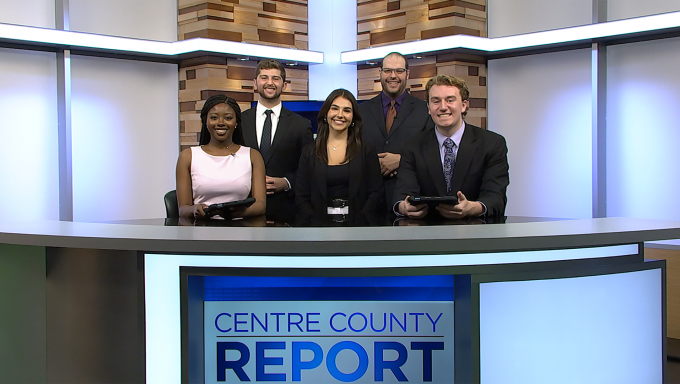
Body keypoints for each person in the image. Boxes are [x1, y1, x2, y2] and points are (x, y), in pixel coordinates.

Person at [395, 75, 509, 219]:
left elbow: (496, 198)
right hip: (427, 233)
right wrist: (404, 207)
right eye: (436, 101)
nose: (443, 107)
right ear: (428, 107)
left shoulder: (492, 143)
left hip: (476, 232)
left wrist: (472, 208)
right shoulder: (412, 146)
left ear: (463, 105)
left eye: (450, 100)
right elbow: (402, 194)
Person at [240, 59, 314, 222]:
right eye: (264, 77)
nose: (270, 83)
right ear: (255, 83)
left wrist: (287, 182)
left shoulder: (301, 125)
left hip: (286, 212)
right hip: (244, 210)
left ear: (284, 85)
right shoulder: (239, 122)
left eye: (275, 78)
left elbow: (309, 168)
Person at [296, 88, 385, 222]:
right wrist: (313, 221)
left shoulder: (367, 150)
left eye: (347, 110)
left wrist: (362, 219)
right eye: (335, 108)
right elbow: (301, 194)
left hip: (358, 227)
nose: (340, 114)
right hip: (317, 227)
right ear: (326, 114)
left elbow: (376, 192)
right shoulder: (309, 151)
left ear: (353, 117)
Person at [359, 52, 434, 208]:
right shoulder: (361, 111)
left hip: (410, 202)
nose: (393, 76)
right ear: (380, 73)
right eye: (388, 71)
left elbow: (433, 153)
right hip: (367, 202)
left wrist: (401, 160)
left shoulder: (425, 110)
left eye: (399, 71)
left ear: (407, 74)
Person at [176, 94, 266, 219]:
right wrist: (194, 209)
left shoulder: (253, 156)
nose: (221, 123)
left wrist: (237, 213)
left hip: (241, 229)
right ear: (205, 121)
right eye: (214, 117)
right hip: (202, 230)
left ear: (236, 122)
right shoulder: (187, 156)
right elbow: (182, 209)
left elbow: (260, 205)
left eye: (228, 118)